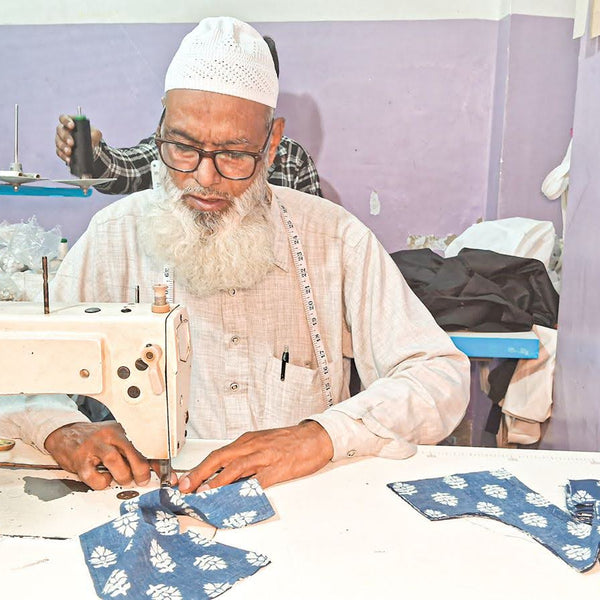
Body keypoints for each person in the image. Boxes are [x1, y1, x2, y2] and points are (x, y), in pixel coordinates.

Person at [1, 17, 470, 493]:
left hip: (307, 501)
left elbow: (439, 374)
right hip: (146, 493)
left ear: (272, 142)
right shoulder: (114, 236)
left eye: (233, 153)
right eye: (183, 147)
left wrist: (320, 436)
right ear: (161, 128)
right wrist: (60, 428)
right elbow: (21, 370)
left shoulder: (335, 239)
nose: (204, 178)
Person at [54, 36, 322, 197]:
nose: (206, 178)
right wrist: (90, 153)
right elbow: (126, 170)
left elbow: (310, 234)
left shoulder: (293, 159)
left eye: (234, 154)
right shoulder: (175, 148)